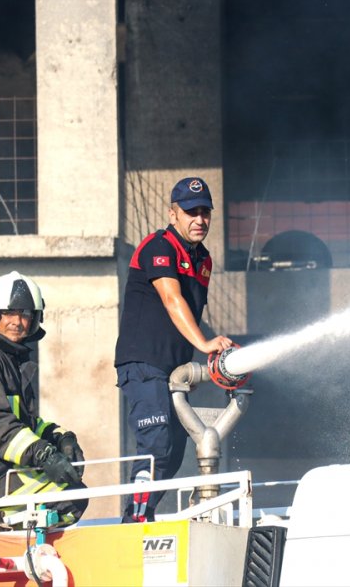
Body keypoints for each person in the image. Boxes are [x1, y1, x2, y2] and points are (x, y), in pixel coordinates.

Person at [114, 177, 233, 522]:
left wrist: (188, 365)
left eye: (205, 212)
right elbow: (171, 298)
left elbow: (190, 313)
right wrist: (204, 344)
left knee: (176, 450)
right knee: (156, 443)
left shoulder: (204, 260)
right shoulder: (159, 246)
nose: (199, 219)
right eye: (191, 211)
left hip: (171, 371)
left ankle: (142, 512)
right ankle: (134, 521)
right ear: (173, 213)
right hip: (143, 364)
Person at [0, 270, 88, 526]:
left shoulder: (8, 358)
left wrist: (59, 436)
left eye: (25, 314)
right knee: (71, 498)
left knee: (73, 491)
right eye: (9, 313)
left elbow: (24, 421)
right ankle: (25, 542)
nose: (17, 321)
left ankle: (24, 535)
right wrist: (44, 455)